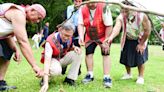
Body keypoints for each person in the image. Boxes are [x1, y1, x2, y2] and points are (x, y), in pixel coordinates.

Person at [0, 3, 46, 91]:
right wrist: (34, 66)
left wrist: (15, 49)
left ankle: (0, 82)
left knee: (8, 50)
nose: (37, 21)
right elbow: (23, 41)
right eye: (39, 18)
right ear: (32, 11)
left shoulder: (20, 15)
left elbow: (5, 33)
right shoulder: (18, 14)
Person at [105, 1, 151, 84]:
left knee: (140, 58)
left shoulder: (142, 15)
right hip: (127, 38)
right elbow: (117, 28)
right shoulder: (121, 16)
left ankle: (140, 77)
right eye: (122, 9)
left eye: (126, 10)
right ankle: (128, 74)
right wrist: (111, 37)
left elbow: (147, 31)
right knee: (125, 57)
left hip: (140, 39)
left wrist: (141, 44)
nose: (123, 12)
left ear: (132, 8)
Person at [78, 0, 113, 88]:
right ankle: (90, 75)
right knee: (88, 54)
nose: (90, 4)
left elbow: (109, 25)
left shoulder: (104, 7)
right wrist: (81, 36)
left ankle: (107, 77)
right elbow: (80, 24)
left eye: (92, 2)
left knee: (106, 54)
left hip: (103, 35)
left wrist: (106, 41)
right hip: (90, 35)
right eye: (88, 2)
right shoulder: (82, 8)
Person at [39, 22, 82, 92]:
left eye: (69, 36)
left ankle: (70, 79)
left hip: (62, 58)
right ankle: (45, 78)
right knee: (56, 71)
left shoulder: (70, 38)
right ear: (60, 30)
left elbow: (69, 46)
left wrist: (74, 48)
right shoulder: (50, 41)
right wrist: (45, 83)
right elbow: (47, 61)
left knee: (78, 53)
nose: (66, 38)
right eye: (64, 35)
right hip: (52, 60)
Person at [62, 0, 83, 75]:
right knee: (65, 50)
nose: (77, 3)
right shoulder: (68, 8)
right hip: (68, 33)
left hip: (77, 34)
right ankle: (63, 69)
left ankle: (77, 70)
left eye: (79, 1)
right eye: (76, 1)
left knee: (77, 51)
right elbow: (64, 19)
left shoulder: (83, 9)